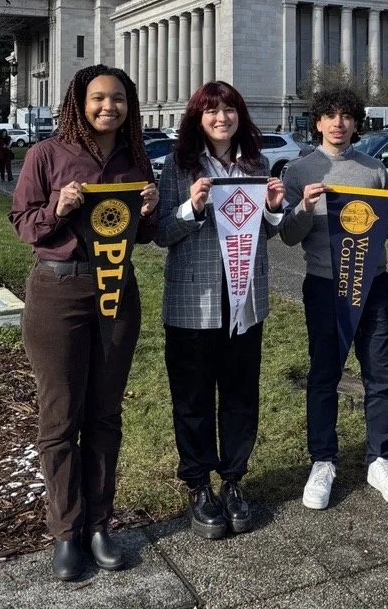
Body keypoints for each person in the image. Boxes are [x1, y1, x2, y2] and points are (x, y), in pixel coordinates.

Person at [9, 65, 158, 581]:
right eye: (98, 98)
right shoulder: (45, 155)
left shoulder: (135, 158)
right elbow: (24, 224)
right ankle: (66, 532)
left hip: (118, 289)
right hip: (59, 290)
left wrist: (152, 210)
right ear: (79, 102)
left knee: (104, 413)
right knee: (60, 416)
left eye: (118, 98)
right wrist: (58, 205)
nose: (108, 107)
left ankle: (100, 523)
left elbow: (143, 234)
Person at [156, 81, 285, 539]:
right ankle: (198, 485)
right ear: (198, 117)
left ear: (240, 117)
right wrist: (191, 206)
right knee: (192, 398)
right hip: (194, 301)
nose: (221, 118)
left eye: (229, 109)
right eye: (211, 111)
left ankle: (233, 479)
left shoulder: (257, 163)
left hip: (244, 297)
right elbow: (160, 232)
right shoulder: (177, 166)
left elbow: (266, 233)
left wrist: (273, 210)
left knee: (239, 395)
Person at [281, 87, 388, 512]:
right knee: (324, 376)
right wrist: (302, 207)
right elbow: (287, 235)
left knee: (381, 375)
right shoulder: (299, 171)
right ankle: (322, 461)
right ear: (317, 122)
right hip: (324, 286)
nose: (338, 123)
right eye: (330, 116)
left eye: (347, 116)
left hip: (373, 286)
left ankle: (381, 459)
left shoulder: (374, 169)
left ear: (356, 122)